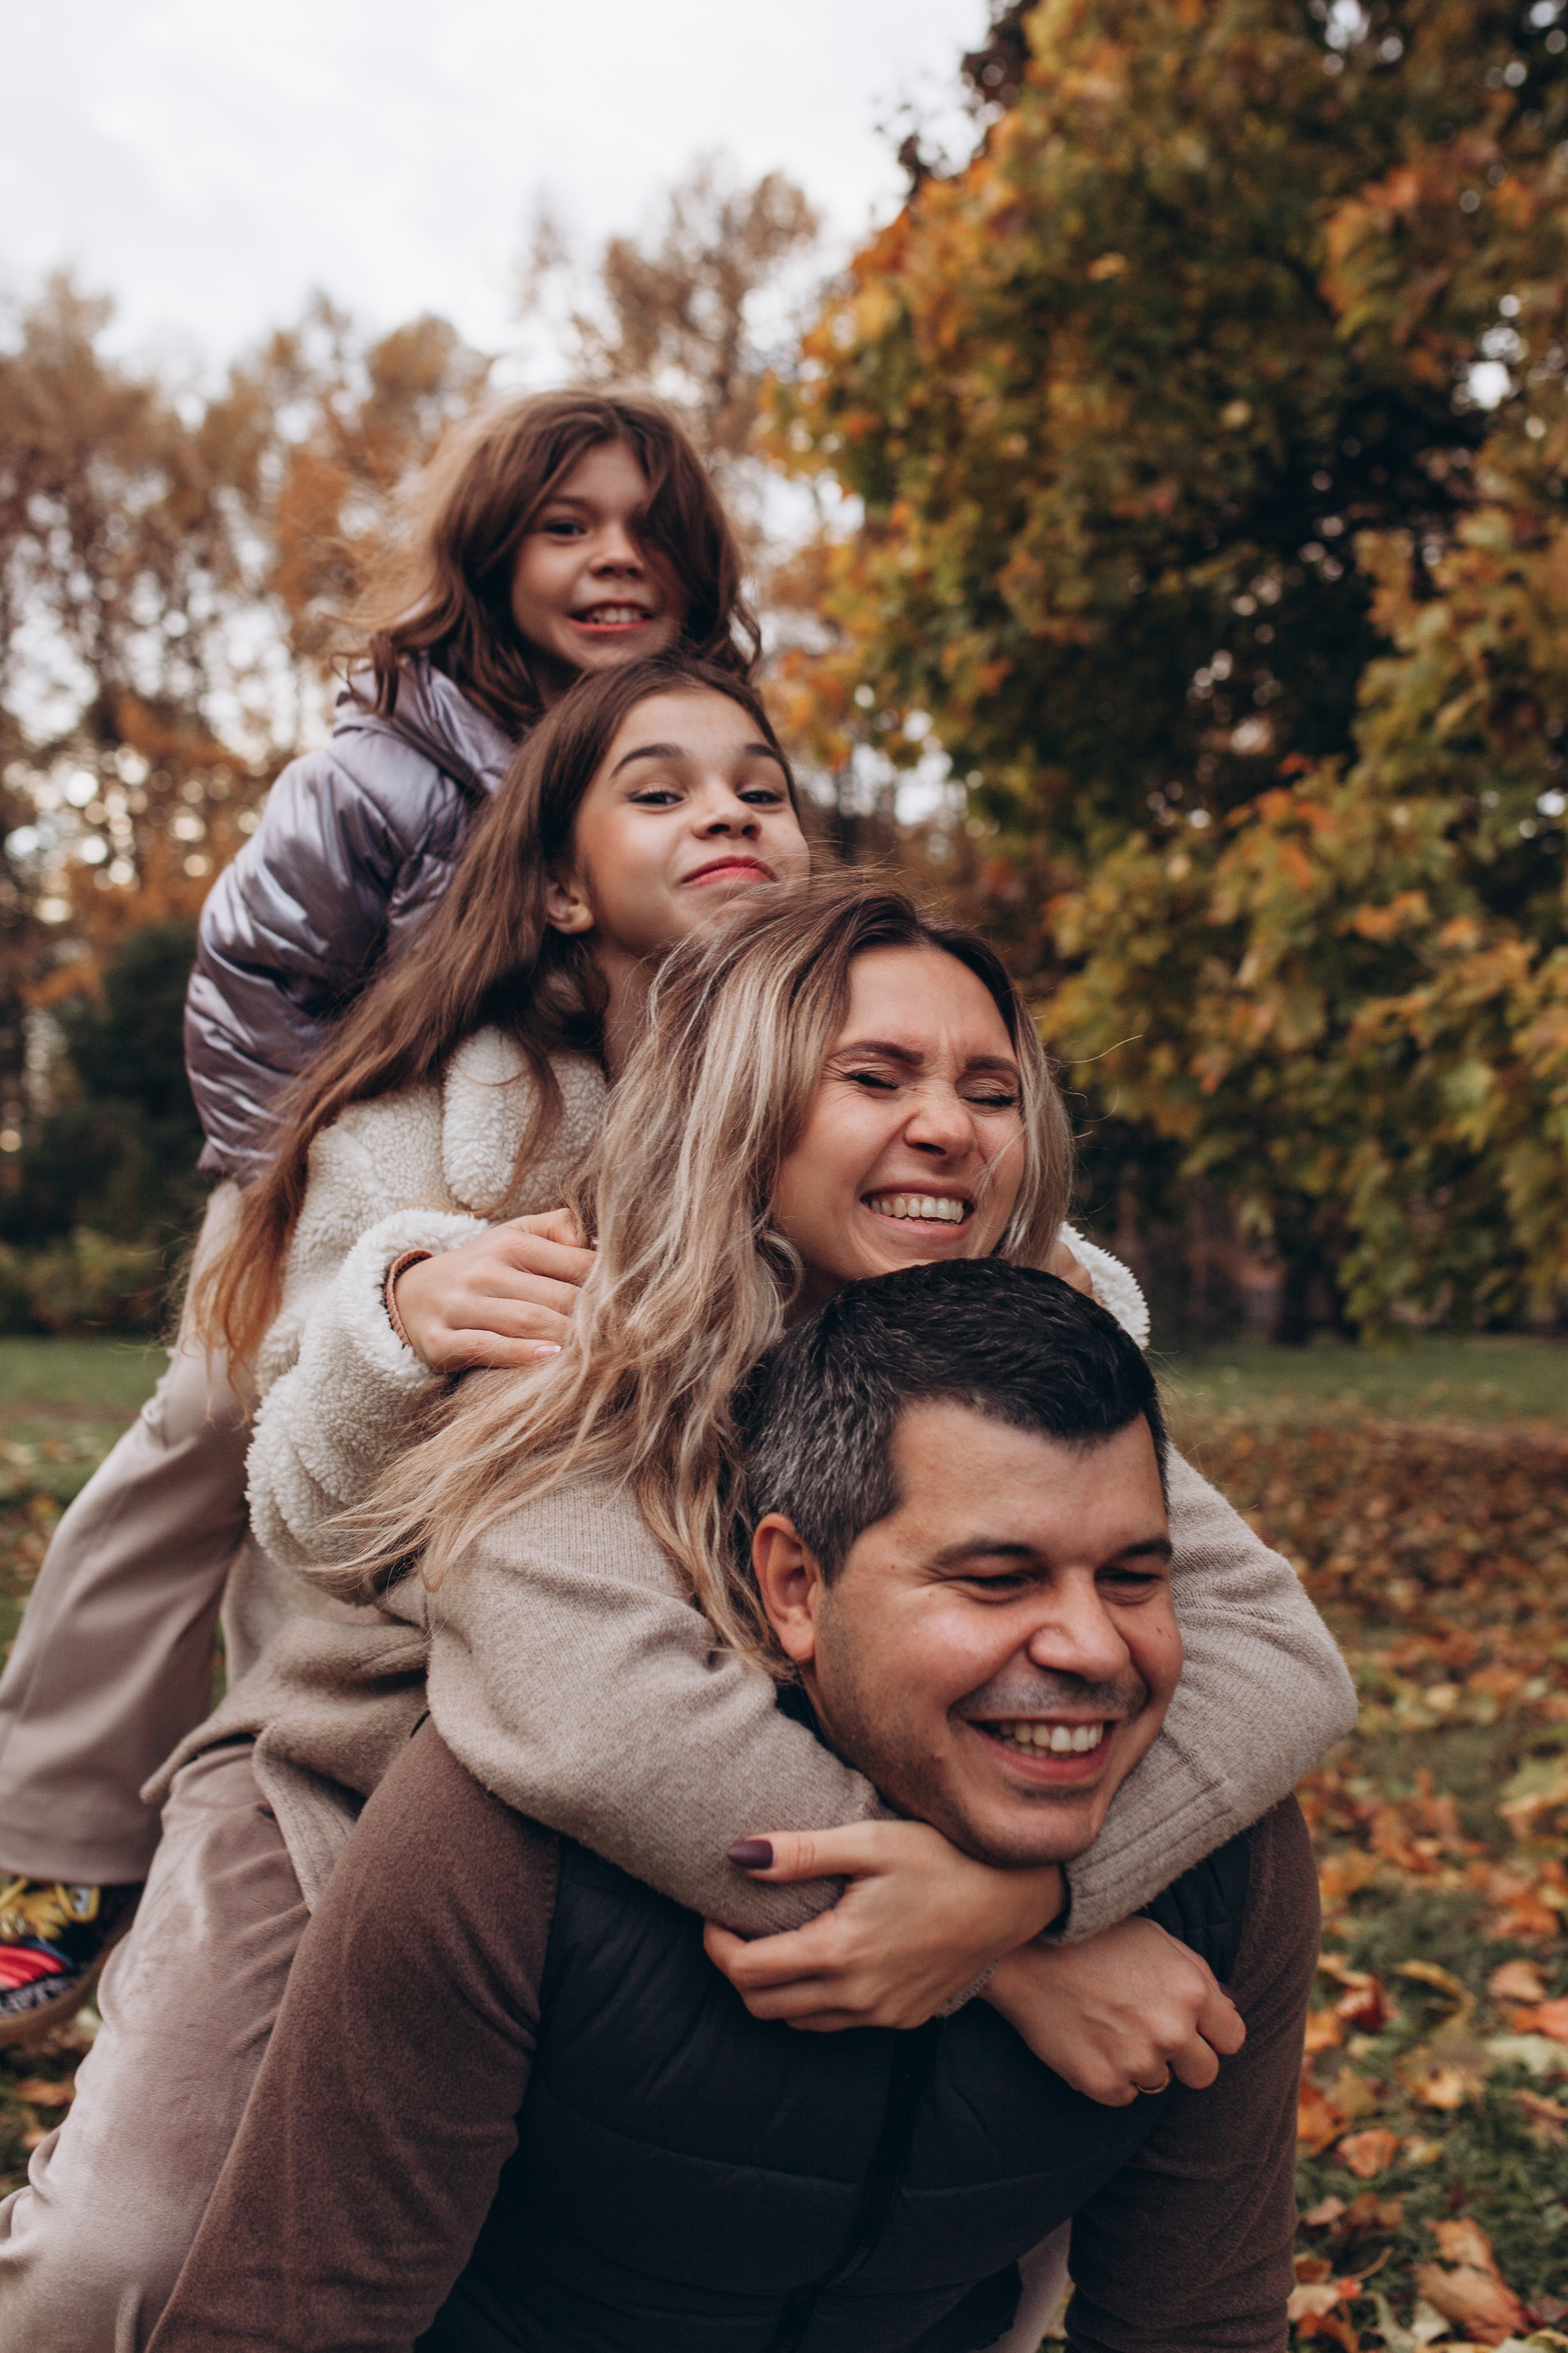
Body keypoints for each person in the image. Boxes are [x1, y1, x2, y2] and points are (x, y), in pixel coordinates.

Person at [0, 872, 1352, 2351]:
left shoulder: (1026, 1356)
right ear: (745, 1104)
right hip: (393, 1820)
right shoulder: (590, 1330)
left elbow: (1276, 1653)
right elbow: (600, 1721)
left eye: (991, 1091)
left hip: (764, 1882)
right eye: (875, 1078)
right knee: (121, 2258)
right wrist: (1005, 1949)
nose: (949, 1127)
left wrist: (1030, 1891)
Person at [147, 1260, 1321, 2353]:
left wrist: (1036, 1910)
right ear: (795, 1585)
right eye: (996, 1579)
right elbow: (292, 2325)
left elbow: (1198, 2330)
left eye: (1134, 1577)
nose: (1092, 1648)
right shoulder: (504, 1842)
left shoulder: (1222, 1863)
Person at [0, 388, 756, 2034]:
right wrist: (315, 1190)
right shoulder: (385, 767)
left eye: (650, 530)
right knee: (209, 1433)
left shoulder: (699, 757)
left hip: (577, 1167)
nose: (614, 558)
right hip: (332, 1171)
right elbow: (250, 975)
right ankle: (55, 1837)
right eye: (567, 527)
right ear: (490, 555)